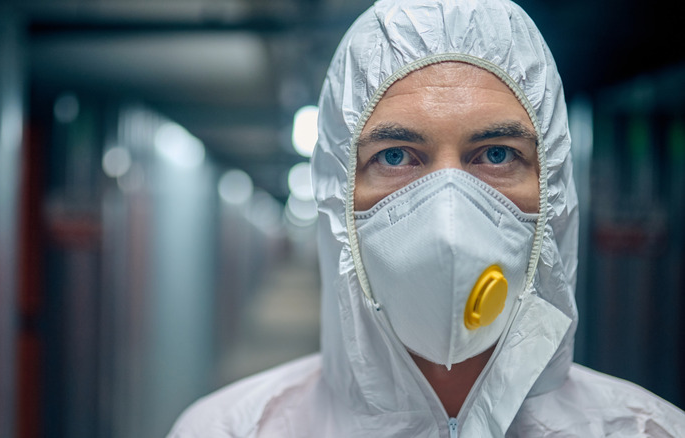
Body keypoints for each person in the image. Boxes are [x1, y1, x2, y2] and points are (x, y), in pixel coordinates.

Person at [168, 0, 685, 436]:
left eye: (497, 154)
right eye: (395, 157)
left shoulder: (643, 429)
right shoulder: (233, 429)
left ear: (553, 192)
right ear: (338, 201)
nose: (449, 219)